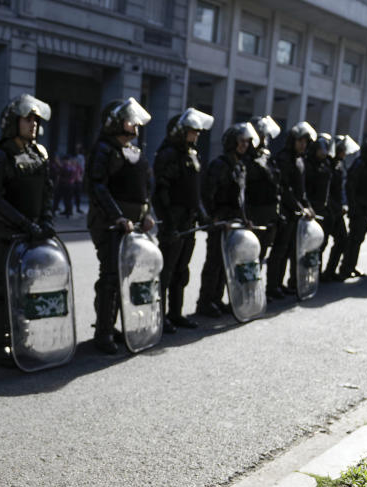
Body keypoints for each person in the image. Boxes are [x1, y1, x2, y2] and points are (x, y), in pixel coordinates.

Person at [0, 94, 54, 366]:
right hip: (8, 236)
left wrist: (46, 222)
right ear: (14, 122)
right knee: (3, 292)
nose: (33, 124)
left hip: (33, 236)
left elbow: (48, 193)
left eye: (36, 119)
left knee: (26, 291)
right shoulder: (1, 155)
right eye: (28, 118)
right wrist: (25, 224)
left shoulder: (40, 153)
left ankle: (21, 342)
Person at [86, 97, 154, 352]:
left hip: (133, 225)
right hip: (110, 224)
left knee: (127, 276)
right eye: (129, 121)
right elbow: (97, 187)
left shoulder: (134, 152)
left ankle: (116, 325)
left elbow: (145, 189)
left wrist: (146, 214)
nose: (134, 125)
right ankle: (103, 332)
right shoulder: (104, 150)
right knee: (111, 277)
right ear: (115, 123)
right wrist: (117, 217)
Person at [153, 107, 214, 332]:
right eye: (192, 131)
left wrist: (202, 215)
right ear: (181, 131)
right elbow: (161, 191)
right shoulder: (168, 154)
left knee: (181, 270)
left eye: (198, 131)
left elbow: (194, 192)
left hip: (188, 221)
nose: (197, 135)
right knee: (166, 271)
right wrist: (168, 223)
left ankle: (175, 313)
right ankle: (159, 316)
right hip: (174, 220)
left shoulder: (192, 154)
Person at [196, 122, 255, 318]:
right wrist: (214, 218)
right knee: (214, 262)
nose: (245, 145)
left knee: (227, 262)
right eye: (241, 141)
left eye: (247, 141)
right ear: (231, 142)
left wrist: (245, 220)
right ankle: (205, 302)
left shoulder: (240, 166)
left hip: (235, 222)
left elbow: (242, 198)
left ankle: (217, 299)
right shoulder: (220, 165)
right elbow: (207, 194)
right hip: (221, 222)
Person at [269, 121, 316, 297]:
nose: (303, 145)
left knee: (290, 250)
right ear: (292, 141)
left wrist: (308, 207)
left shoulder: (300, 160)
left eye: (305, 141)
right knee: (279, 251)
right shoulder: (283, 159)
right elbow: (285, 188)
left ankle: (282, 284)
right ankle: (272, 287)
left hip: (296, 213)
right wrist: (299, 208)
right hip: (284, 212)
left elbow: (301, 190)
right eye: (300, 141)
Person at [338, 135, 367, 280]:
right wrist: (353, 206)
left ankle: (352, 265)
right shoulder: (359, 164)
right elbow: (350, 187)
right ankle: (346, 267)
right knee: (353, 239)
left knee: (359, 239)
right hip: (358, 208)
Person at [244, 115, 282, 271]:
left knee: (259, 259)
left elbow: (276, 185)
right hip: (253, 214)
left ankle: (253, 294)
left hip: (269, 214)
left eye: (265, 135)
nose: (264, 138)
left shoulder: (266, 157)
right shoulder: (245, 157)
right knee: (247, 258)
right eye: (261, 134)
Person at [321, 135, 357, 281]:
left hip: (337, 211)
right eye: (342, 150)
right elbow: (325, 191)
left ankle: (329, 271)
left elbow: (342, 188)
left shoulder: (340, 164)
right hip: (327, 211)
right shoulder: (327, 165)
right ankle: (314, 274)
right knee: (320, 245)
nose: (344, 153)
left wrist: (344, 205)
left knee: (343, 240)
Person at [304, 133, 334, 279]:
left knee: (321, 243)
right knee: (307, 245)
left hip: (323, 208)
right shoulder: (308, 165)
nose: (323, 153)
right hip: (311, 209)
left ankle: (316, 272)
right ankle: (301, 276)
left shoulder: (327, 164)